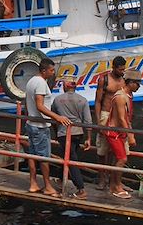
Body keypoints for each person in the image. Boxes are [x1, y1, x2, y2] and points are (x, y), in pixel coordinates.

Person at [23, 58, 72, 197]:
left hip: (31, 123)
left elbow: (28, 103)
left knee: (32, 154)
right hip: (40, 126)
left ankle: (33, 183)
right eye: (51, 70)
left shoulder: (32, 81)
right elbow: (40, 106)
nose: (53, 72)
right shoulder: (40, 83)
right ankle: (47, 186)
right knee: (44, 157)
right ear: (44, 70)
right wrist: (57, 117)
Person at [51, 75, 92, 199]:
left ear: (66, 86)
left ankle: (81, 189)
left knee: (70, 159)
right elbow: (88, 121)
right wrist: (88, 138)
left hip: (64, 133)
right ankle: (60, 178)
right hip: (78, 133)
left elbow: (54, 118)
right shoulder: (83, 100)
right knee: (68, 155)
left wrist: (57, 132)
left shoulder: (57, 100)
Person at [106, 69, 141, 199]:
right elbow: (121, 118)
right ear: (131, 82)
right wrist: (131, 136)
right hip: (114, 132)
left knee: (118, 158)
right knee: (122, 159)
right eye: (137, 84)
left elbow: (126, 118)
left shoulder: (127, 95)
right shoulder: (121, 97)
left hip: (120, 132)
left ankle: (115, 184)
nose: (138, 87)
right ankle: (116, 187)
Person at [94, 56, 126, 189]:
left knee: (118, 150)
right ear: (113, 67)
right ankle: (102, 179)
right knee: (103, 150)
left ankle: (116, 181)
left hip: (119, 117)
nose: (122, 71)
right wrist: (98, 122)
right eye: (120, 69)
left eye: (124, 69)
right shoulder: (104, 79)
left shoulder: (124, 80)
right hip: (105, 115)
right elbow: (97, 101)